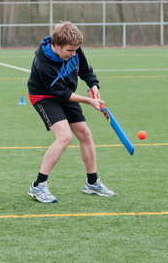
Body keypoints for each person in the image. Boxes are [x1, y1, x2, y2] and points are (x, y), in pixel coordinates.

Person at [27, 22, 115, 203]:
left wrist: (93, 86)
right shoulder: (43, 62)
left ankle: (92, 183)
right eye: (70, 51)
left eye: (76, 50)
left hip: (67, 92)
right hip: (44, 96)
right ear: (56, 45)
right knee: (65, 137)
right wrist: (89, 100)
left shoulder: (74, 48)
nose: (74, 54)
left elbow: (85, 69)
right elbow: (61, 93)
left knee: (85, 133)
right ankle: (38, 186)